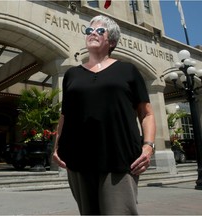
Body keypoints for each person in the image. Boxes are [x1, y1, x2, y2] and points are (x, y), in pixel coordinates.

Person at [52, 15, 156, 215]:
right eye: (89, 30)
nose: (93, 33)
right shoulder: (72, 74)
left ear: (112, 42)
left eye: (100, 31)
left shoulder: (128, 71)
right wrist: (56, 146)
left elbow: (146, 113)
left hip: (119, 156)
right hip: (78, 159)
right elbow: (65, 114)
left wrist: (148, 146)